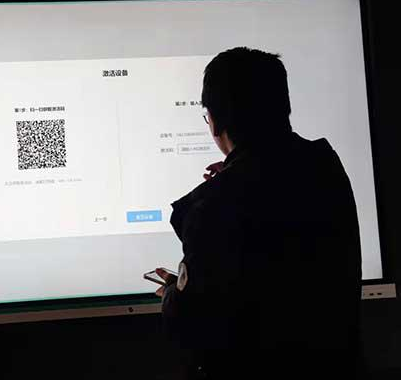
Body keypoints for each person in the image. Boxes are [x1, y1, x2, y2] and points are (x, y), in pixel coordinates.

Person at [155, 47, 362, 380]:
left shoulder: (214, 204)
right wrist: (236, 176)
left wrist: (170, 293)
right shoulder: (325, 165)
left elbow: (190, 325)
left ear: (215, 122)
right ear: (284, 107)